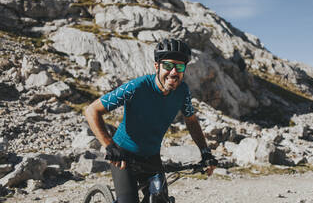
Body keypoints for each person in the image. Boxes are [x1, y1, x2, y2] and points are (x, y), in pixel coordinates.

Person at [84, 38, 217, 203]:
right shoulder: (135, 88)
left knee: (160, 200)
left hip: (151, 157)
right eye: (168, 66)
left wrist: (205, 152)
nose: (174, 72)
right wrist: (109, 146)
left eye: (180, 67)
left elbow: (191, 121)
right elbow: (92, 111)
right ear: (157, 66)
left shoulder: (183, 91)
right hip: (123, 155)